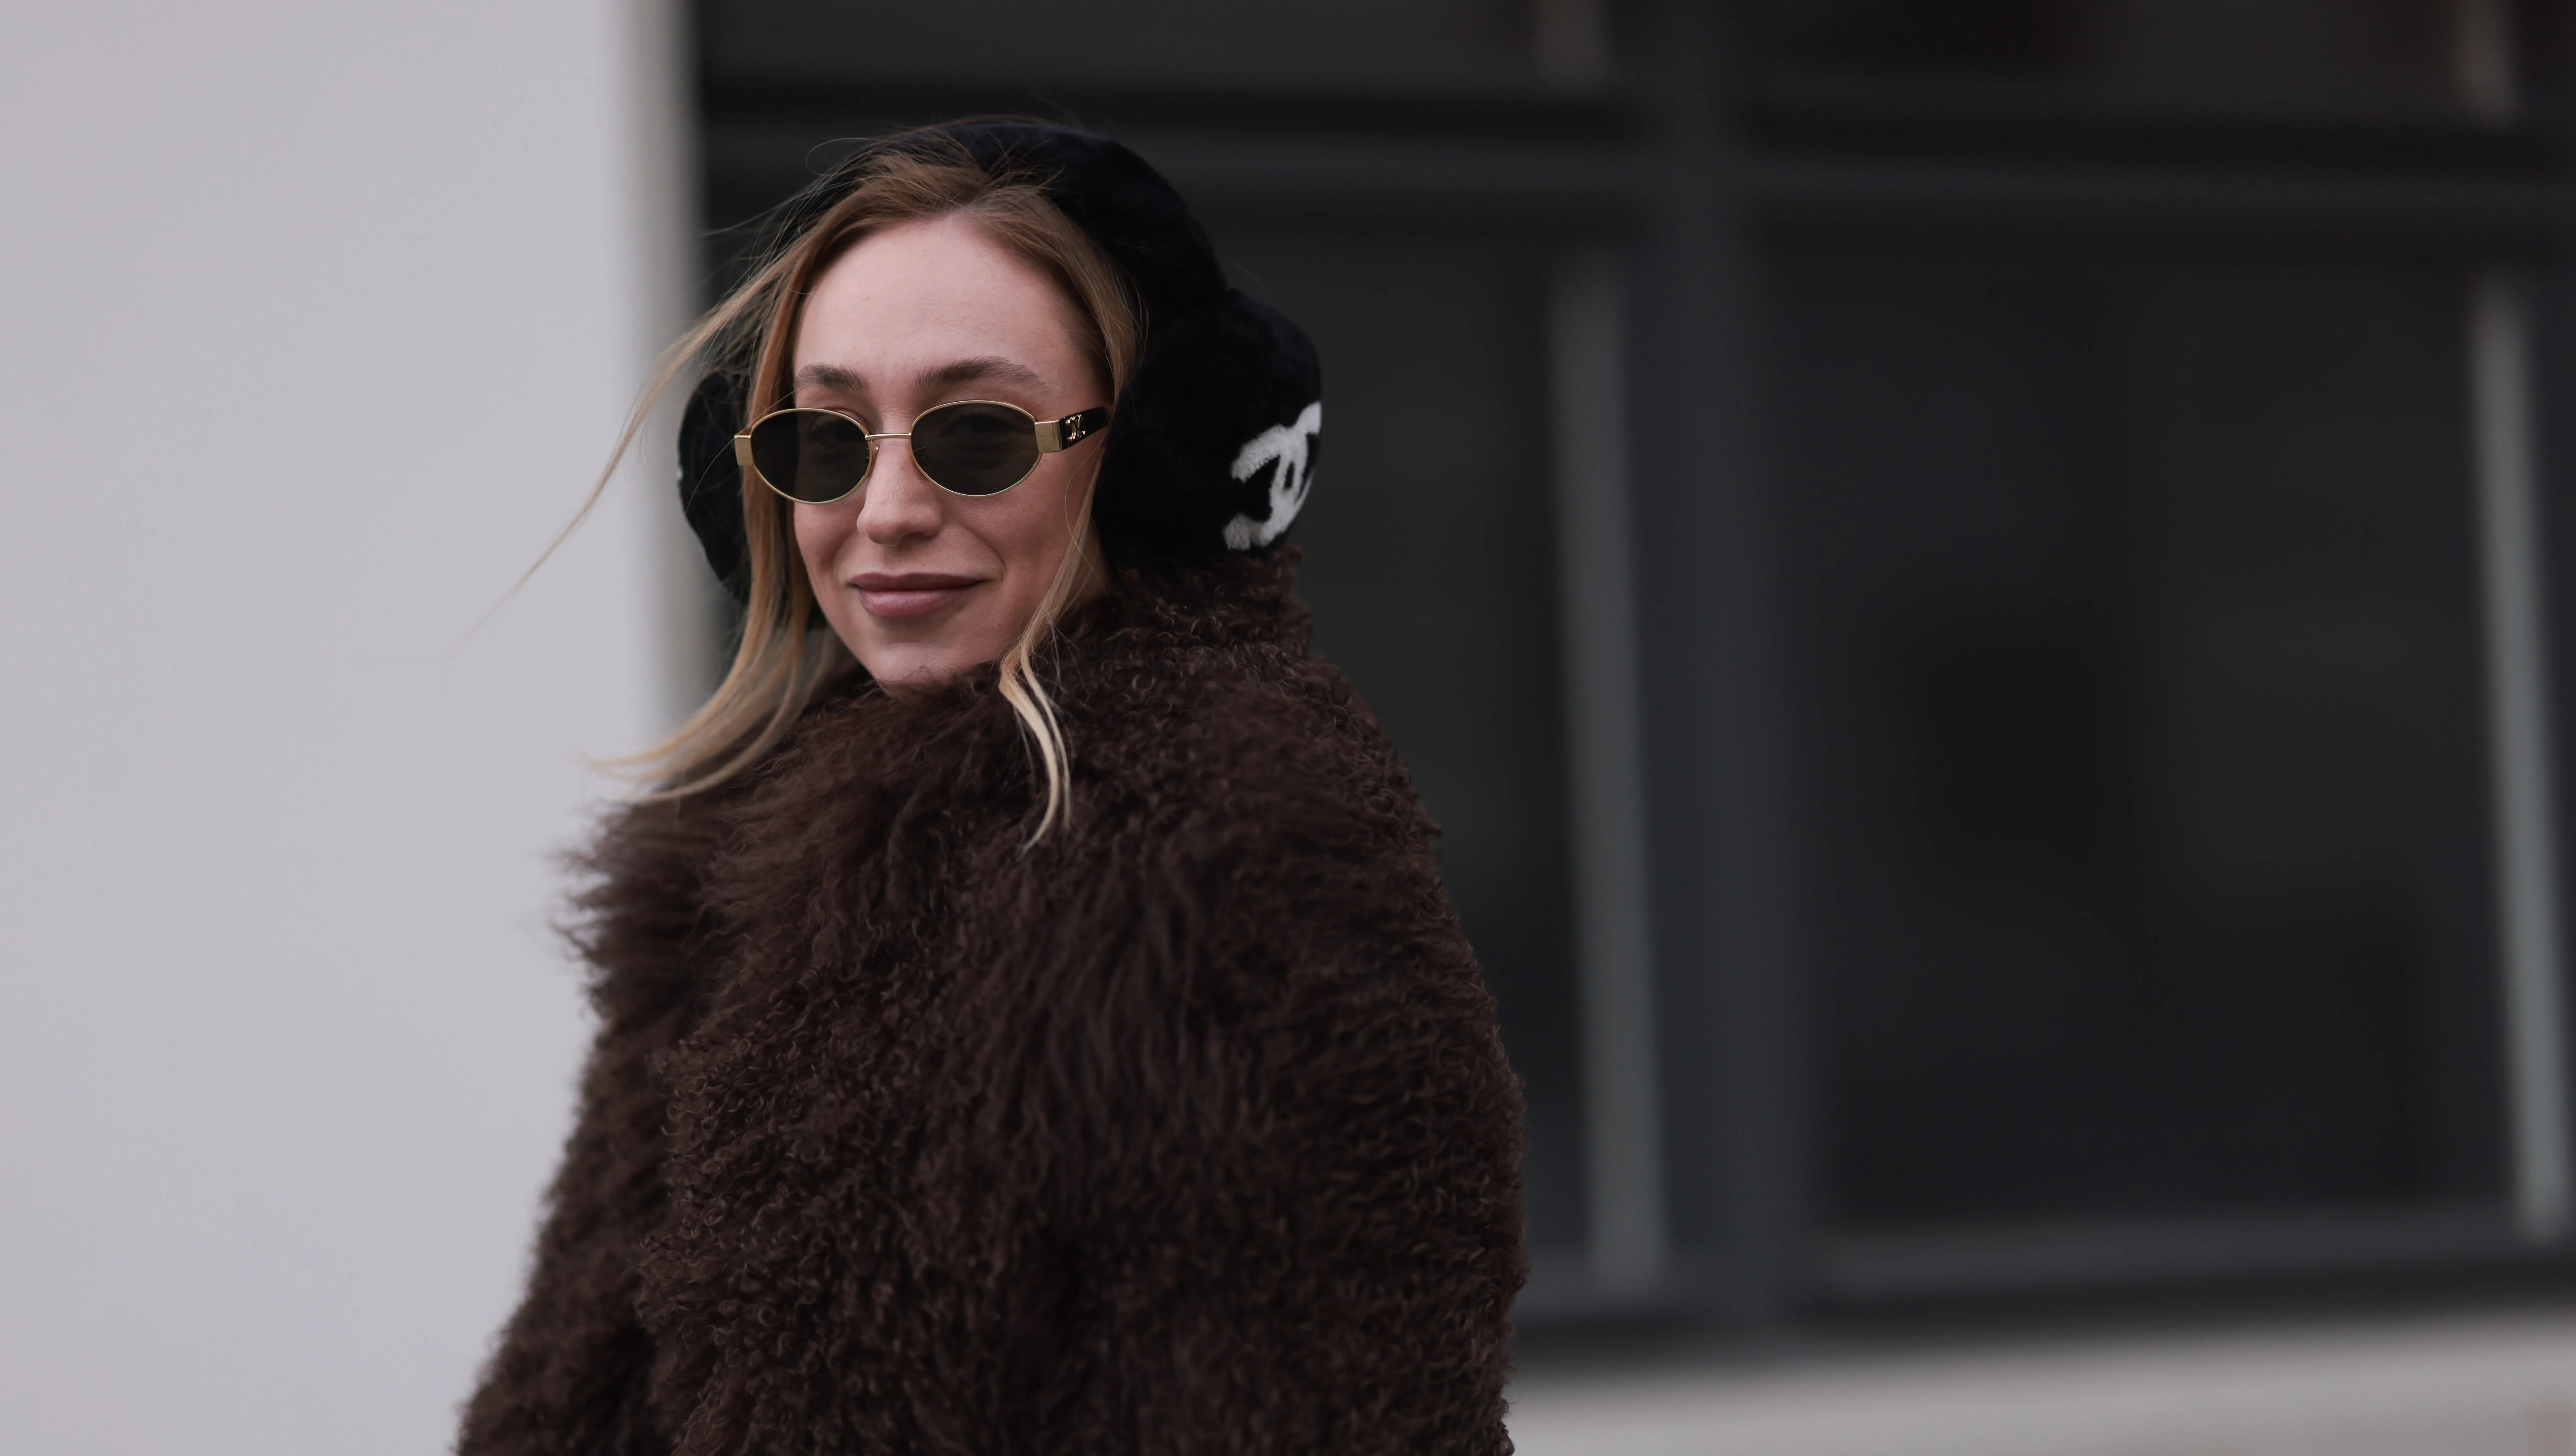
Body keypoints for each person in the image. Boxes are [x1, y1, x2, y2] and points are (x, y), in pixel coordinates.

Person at [458, 122, 1525, 1455]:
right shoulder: (740, 868)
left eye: (976, 432)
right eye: (827, 436)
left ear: (1148, 461)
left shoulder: (1234, 873)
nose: (887, 506)